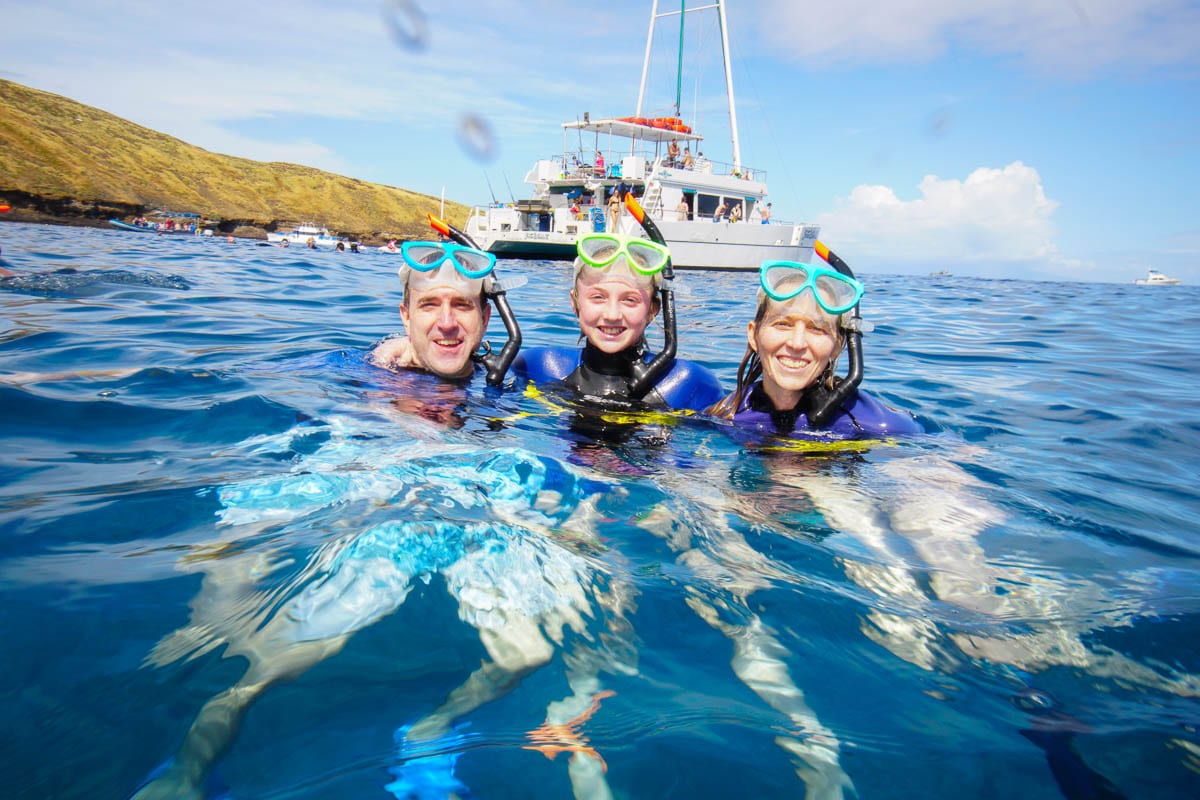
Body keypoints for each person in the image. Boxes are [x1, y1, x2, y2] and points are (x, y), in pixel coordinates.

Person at [511, 231, 722, 411]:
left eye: (630, 300)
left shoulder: (687, 383)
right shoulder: (539, 367)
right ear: (575, 303)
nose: (612, 314)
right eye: (598, 297)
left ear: (653, 310)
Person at [708, 260, 922, 437]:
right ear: (753, 335)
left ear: (837, 346)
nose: (797, 343)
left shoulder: (875, 424)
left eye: (817, 329)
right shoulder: (724, 415)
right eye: (783, 324)